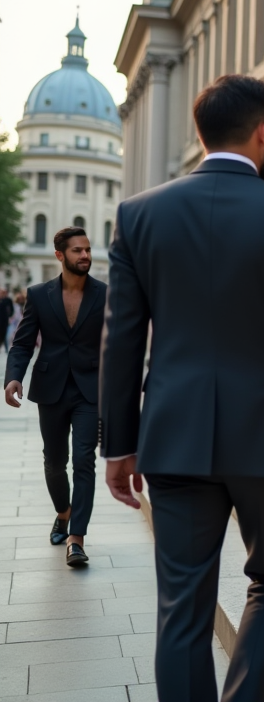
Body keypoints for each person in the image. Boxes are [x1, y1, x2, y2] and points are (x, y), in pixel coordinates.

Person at [99, 75, 264, 702]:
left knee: (181, 605)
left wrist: (117, 444)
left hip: (173, 434)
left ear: (202, 135)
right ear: (263, 134)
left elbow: (121, 341)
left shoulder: (138, 215)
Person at [5, 227, 105, 567]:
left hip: (90, 389)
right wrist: (13, 377)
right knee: (54, 461)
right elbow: (22, 343)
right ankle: (63, 512)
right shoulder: (39, 294)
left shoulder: (105, 294)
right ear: (60, 255)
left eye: (87, 249)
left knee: (84, 460)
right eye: (78, 250)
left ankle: (77, 538)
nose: (85, 255)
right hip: (51, 388)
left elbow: (117, 344)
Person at [0, 288, 13, 353]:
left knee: (4, 334)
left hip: (4, 320)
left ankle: (6, 348)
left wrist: (9, 316)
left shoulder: (8, 300)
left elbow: (11, 310)